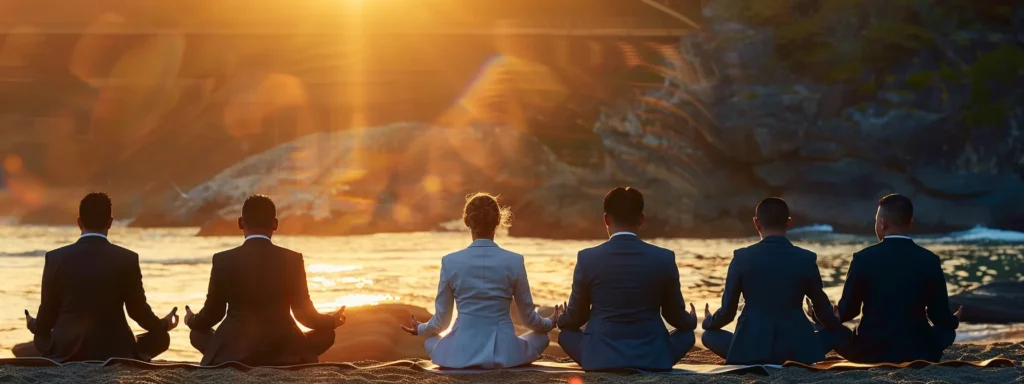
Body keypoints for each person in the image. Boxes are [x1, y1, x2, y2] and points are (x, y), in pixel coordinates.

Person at [399, 193, 561, 369]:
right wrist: (549, 322)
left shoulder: (450, 261)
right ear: (498, 221)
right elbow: (529, 319)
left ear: (467, 221)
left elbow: (441, 322)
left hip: (460, 354)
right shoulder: (514, 260)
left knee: (430, 339)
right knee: (542, 337)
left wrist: (420, 329)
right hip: (504, 354)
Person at [184, 195, 346, 366]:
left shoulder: (223, 259)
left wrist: (191, 319)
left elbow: (213, 314)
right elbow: (304, 315)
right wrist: (332, 320)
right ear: (275, 224)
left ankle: (228, 356)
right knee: (328, 333)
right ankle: (289, 356)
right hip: (283, 348)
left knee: (196, 334)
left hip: (235, 350)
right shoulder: (293, 259)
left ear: (240, 222)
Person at [556, 187, 697, 371]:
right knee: (687, 335)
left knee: (565, 334)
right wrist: (692, 320)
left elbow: (577, 316)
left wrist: (560, 319)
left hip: (600, 358)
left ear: (606, 219)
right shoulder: (664, 258)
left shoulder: (587, 258)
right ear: (641, 219)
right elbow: (674, 316)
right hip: (653, 357)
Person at [25, 192, 177, 362]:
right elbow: (137, 311)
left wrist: (32, 323)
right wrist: (162, 325)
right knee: (162, 338)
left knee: (40, 338)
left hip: (68, 349)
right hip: (115, 348)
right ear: (110, 222)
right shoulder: (127, 258)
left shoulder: (54, 258)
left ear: (79, 222)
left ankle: (58, 354)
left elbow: (47, 316)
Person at [701, 197, 844, 365]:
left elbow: (727, 313)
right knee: (839, 332)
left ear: (756, 223)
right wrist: (833, 321)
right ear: (788, 223)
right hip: (797, 352)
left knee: (708, 335)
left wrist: (708, 321)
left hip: (750, 350)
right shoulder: (806, 259)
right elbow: (822, 309)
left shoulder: (741, 258)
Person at [829, 194, 962, 363]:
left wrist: (825, 315)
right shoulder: (930, 260)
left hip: (869, 351)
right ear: (910, 223)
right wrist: (954, 321)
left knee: (834, 332)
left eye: (876, 220)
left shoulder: (862, 258)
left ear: (882, 223)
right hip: (918, 351)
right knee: (947, 331)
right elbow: (938, 315)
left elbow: (849, 310)